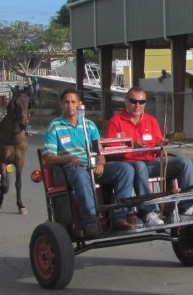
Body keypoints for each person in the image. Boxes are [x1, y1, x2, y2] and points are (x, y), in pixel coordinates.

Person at [103, 87, 193, 226]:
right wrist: (132, 147)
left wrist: (162, 144)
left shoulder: (151, 121)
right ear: (126, 101)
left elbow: (158, 145)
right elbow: (110, 150)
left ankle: (186, 207)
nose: (137, 105)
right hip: (129, 164)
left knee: (185, 162)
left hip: (151, 162)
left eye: (141, 102)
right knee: (139, 166)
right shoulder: (116, 121)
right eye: (133, 101)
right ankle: (147, 211)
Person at [42, 89, 137, 237]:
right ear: (61, 104)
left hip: (91, 166)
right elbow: (48, 157)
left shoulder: (90, 126)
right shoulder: (54, 127)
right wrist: (70, 158)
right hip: (69, 169)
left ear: (80, 104)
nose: (70, 105)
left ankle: (119, 217)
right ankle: (91, 221)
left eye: (73, 102)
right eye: (66, 102)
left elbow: (100, 152)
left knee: (126, 169)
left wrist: (100, 163)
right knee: (80, 173)